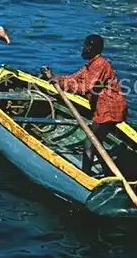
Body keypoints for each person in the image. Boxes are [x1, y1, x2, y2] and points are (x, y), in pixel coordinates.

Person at [42, 34, 127, 176]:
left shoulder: (100, 64)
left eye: (85, 46)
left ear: (91, 48)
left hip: (109, 109)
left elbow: (86, 87)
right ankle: (109, 173)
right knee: (97, 145)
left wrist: (62, 84)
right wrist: (56, 77)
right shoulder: (90, 65)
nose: (82, 49)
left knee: (89, 144)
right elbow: (74, 78)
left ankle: (85, 177)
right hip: (103, 108)